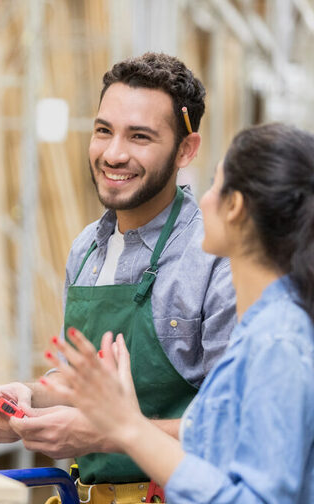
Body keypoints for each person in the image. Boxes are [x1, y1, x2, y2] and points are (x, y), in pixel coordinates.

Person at [0, 52, 236, 498]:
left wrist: (104, 433)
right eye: (103, 131)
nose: (114, 154)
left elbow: (233, 425)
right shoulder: (86, 249)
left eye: (140, 137)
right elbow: (77, 383)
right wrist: (26, 397)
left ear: (185, 150)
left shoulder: (214, 256)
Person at [43, 122, 314, 503]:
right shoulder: (261, 329)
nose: (203, 199)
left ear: (234, 206)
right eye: (103, 130)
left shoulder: (276, 341)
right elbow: (207, 438)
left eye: (216, 185)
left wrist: (127, 427)